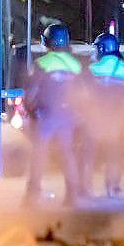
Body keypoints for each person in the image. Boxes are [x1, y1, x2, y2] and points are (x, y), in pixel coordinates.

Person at [25, 23, 83, 205]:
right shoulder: (75, 65)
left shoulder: (41, 63)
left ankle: (31, 197)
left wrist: (31, 111)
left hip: (46, 116)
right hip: (67, 116)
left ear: (46, 41)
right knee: (67, 154)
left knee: (39, 155)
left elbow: (31, 92)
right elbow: (82, 94)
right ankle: (72, 196)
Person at [80, 32, 124, 198]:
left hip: (94, 119)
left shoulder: (92, 69)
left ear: (102, 49)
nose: (94, 52)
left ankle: (86, 188)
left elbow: (82, 95)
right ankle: (113, 187)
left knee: (88, 153)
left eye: (97, 48)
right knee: (114, 154)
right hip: (115, 119)